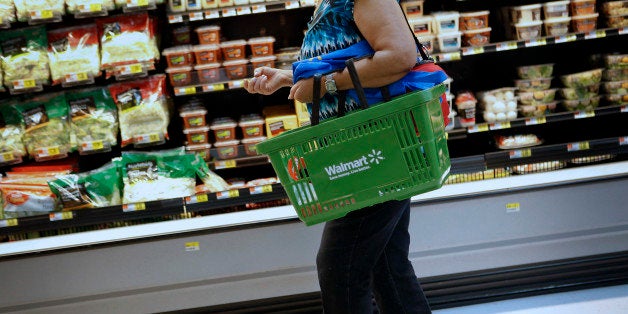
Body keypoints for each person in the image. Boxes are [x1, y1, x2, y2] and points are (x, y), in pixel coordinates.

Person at [244, 0, 439, 312]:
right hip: (372, 147)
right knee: (387, 265)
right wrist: (289, 76)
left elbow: (400, 56)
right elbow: (349, 57)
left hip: (376, 149)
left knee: (340, 267)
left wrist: (324, 84)